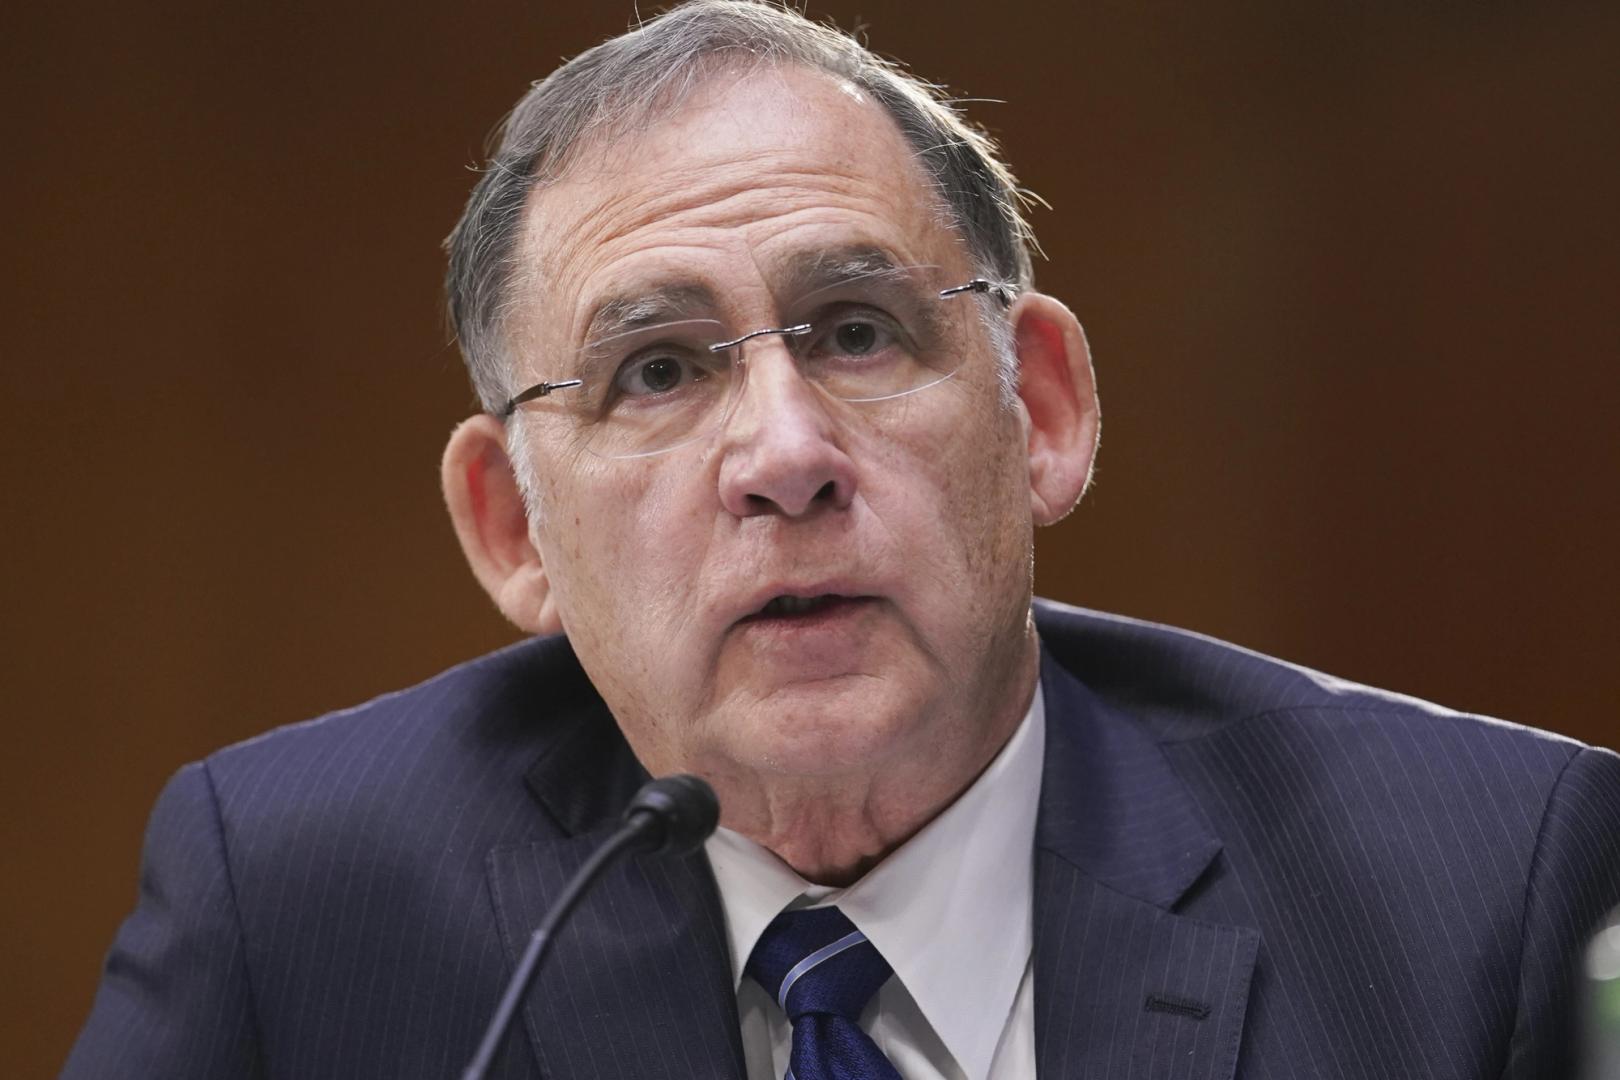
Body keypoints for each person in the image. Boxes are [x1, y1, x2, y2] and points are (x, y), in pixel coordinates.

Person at [63, 2, 1620, 1078]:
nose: (787, 456)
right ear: (512, 526)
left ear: (1043, 409)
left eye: (860, 331)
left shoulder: (1489, 887)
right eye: (655, 371)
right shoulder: (295, 900)